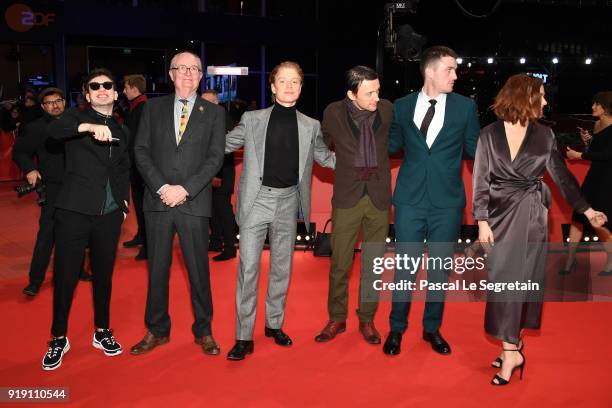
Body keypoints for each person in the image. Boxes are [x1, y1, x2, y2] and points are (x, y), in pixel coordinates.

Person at [472, 73, 607, 385]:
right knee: (504, 282)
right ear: (524, 97)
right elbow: (480, 181)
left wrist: (587, 210)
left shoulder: (545, 136)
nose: (546, 102)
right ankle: (513, 345)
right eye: (542, 95)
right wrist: (481, 221)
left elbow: (562, 178)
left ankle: (510, 352)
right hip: (498, 217)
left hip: (532, 216)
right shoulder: (489, 135)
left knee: (520, 281)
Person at [225, 61, 335, 360]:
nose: (289, 86)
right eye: (283, 81)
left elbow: (326, 158)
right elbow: (223, 145)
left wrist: (362, 163)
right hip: (256, 201)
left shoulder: (311, 126)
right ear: (272, 87)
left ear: (301, 87)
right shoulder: (252, 119)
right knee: (248, 269)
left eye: (295, 81)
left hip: (289, 202)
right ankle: (243, 335)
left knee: (281, 269)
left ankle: (274, 325)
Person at [384, 46, 480, 356]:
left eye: (455, 69)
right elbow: (393, 145)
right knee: (405, 269)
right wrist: (362, 131)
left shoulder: (465, 108)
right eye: (449, 69)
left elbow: (476, 151)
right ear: (430, 71)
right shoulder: (401, 106)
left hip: (448, 203)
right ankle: (396, 329)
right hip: (410, 199)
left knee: (439, 270)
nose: (455, 75)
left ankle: (431, 329)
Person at [131, 51, 226, 357]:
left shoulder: (213, 113)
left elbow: (214, 159)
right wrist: (161, 187)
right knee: (157, 269)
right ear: (170, 75)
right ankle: (157, 329)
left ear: (201, 76)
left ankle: (204, 330)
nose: (188, 73)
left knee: (199, 271)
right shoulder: (152, 108)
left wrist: (185, 189)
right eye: (181, 68)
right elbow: (141, 150)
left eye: (194, 68)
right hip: (157, 202)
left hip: (193, 201)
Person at [42, 68, 131, 370]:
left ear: (116, 94)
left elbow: (122, 170)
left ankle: (102, 331)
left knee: (103, 277)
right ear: (88, 94)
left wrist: (123, 205)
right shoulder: (72, 118)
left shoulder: (122, 130)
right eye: (96, 86)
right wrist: (87, 127)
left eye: (108, 85)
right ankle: (58, 337)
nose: (103, 89)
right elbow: (52, 134)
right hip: (73, 213)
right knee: (66, 277)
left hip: (108, 216)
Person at [314, 66, 392, 345]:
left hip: (379, 198)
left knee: (373, 264)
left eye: (378, 90)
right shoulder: (333, 113)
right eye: (369, 92)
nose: (376, 98)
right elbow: (319, 143)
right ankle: (337, 317)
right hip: (348, 197)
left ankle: (367, 319)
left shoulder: (387, 110)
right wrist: (337, 164)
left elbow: (395, 143)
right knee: (340, 263)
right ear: (351, 94)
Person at [563, 91, 612, 276]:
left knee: (599, 221)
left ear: (605, 107)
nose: (592, 107)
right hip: (593, 177)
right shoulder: (597, 124)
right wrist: (588, 141)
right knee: (578, 217)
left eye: (596, 104)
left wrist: (579, 155)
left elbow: (607, 155)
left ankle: (610, 261)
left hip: (607, 180)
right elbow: (596, 152)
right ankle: (570, 259)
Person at [202, 89, 237, 261]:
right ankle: (215, 242)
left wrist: (218, 175)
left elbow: (224, 149)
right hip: (211, 172)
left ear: (216, 102)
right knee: (212, 209)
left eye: (207, 101)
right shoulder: (207, 118)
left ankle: (230, 248)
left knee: (223, 210)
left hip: (223, 171)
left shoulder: (223, 118)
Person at [122, 74, 149, 261]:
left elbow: (140, 140)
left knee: (145, 206)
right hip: (136, 165)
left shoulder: (143, 108)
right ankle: (142, 235)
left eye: (126, 87)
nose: (124, 91)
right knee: (138, 203)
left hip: (142, 166)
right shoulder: (135, 107)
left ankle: (148, 244)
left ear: (134, 88)